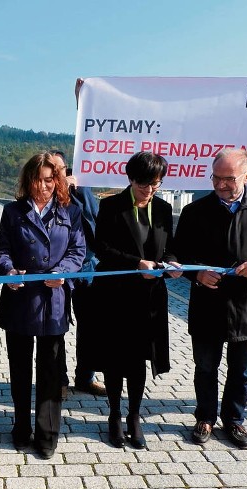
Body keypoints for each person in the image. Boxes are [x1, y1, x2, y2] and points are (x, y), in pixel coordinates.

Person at [174, 148, 247, 449]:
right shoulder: (195, 211)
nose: (220, 185)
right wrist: (196, 275)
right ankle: (205, 416)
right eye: (216, 178)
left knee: (241, 371)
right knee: (205, 367)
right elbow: (179, 255)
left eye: (228, 179)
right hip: (207, 303)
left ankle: (234, 420)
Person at [0, 152, 86, 459]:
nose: (44, 186)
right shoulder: (12, 211)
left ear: (58, 180)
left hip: (54, 301)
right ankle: (21, 426)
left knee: (49, 371)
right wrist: (8, 271)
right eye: (38, 179)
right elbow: (2, 249)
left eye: (50, 179)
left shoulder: (70, 210)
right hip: (20, 298)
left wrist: (63, 273)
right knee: (20, 370)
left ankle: (48, 432)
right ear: (28, 180)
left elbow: (78, 251)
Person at [93, 152, 181, 449]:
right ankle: (115, 416)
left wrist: (171, 264)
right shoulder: (111, 207)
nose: (149, 190)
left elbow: (169, 249)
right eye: (144, 185)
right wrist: (136, 263)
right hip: (116, 297)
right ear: (130, 179)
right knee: (116, 360)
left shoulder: (165, 208)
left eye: (155, 184)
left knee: (139, 360)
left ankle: (134, 416)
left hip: (151, 299)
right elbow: (102, 250)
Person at [50, 151, 106, 398]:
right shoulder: (42, 193)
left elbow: (94, 221)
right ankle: (58, 379)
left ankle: (86, 377)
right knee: (56, 326)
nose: (55, 174)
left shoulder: (80, 187)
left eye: (59, 169)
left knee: (91, 326)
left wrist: (81, 188)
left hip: (86, 269)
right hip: (56, 271)